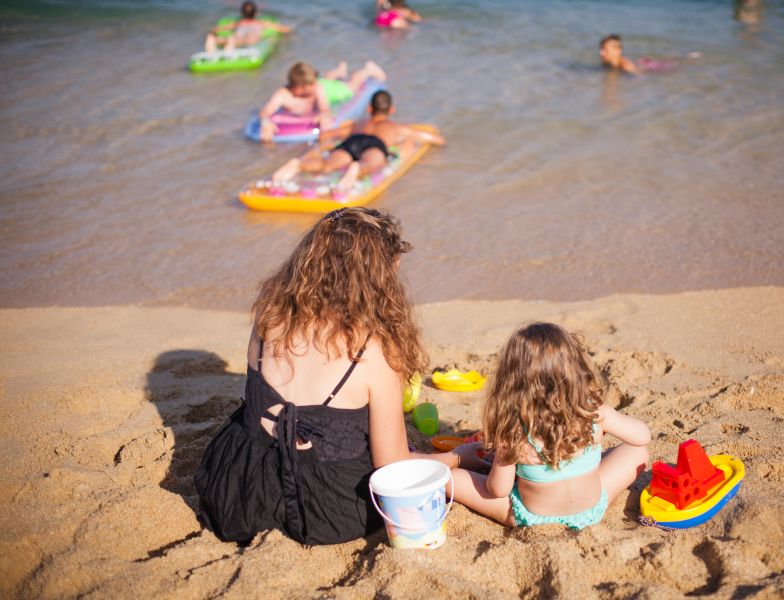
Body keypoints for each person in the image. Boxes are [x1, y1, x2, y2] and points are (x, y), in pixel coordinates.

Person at [194, 208, 481, 545]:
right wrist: (460, 456)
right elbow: (393, 463)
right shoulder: (374, 350)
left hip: (237, 488)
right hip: (325, 508)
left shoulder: (269, 314)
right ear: (380, 277)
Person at [450, 322, 651, 530]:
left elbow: (498, 490)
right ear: (575, 370)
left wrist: (498, 463)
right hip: (590, 512)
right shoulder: (595, 413)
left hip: (534, 520)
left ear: (511, 382)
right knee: (637, 452)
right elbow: (642, 437)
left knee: (452, 478)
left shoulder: (514, 432)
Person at [271, 90, 445, 197]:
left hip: (352, 141)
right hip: (375, 144)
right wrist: (435, 139)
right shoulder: (395, 127)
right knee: (369, 163)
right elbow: (433, 139)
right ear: (391, 110)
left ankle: (299, 165)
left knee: (327, 165)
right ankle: (357, 168)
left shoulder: (358, 123)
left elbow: (328, 135)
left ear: (369, 109)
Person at [258, 61, 388, 144]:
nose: (316, 85)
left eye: (315, 83)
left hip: (331, 92)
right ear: (299, 88)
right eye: (312, 84)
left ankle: (367, 70)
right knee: (326, 81)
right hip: (325, 87)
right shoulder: (283, 95)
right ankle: (338, 72)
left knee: (351, 88)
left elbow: (324, 107)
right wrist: (265, 122)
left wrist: (323, 114)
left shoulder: (317, 87)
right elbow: (265, 111)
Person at [204, 1, 292, 53]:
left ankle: (215, 47)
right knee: (247, 39)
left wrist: (213, 32)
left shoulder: (239, 23)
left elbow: (217, 29)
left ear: (242, 13)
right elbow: (282, 29)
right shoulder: (260, 22)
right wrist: (290, 30)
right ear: (256, 13)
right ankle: (229, 47)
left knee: (228, 39)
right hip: (250, 40)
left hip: (237, 37)